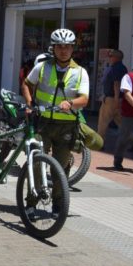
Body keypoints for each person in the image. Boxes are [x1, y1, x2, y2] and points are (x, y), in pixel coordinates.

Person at [21, 28, 89, 217]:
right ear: (53, 48)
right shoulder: (42, 67)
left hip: (66, 126)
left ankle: (58, 206)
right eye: (59, 46)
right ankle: (31, 203)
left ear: (72, 48)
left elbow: (84, 99)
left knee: (61, 168)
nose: (63, 50)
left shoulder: (80, 72)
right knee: (35, 163)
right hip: (42, 122)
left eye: (67, 46)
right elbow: (27, 83)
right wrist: (29, 102)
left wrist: (71, 103)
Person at [97, 49, 127, 144]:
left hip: (112, 99)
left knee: (103, 121)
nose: (109, 58)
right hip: (114, 98)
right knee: (120, 121)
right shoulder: (118, 67)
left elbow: (117, 84)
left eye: (111, 56)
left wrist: (116, 100)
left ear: (116, 58)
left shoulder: (117, 68)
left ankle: (99, 142)